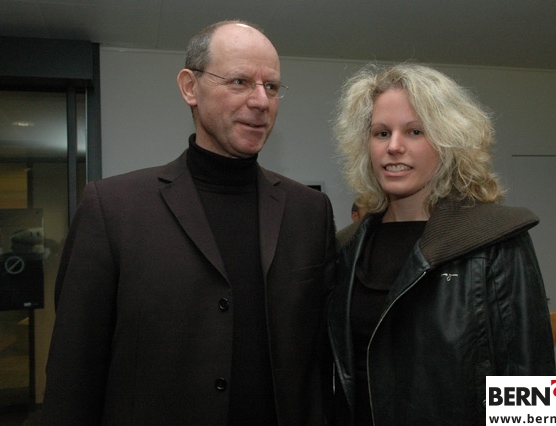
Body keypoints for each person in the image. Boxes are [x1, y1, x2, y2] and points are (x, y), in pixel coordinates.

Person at [41, 20, 336, 426]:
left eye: (271, 86)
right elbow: (73, 373)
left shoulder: (310, 212)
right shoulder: (113, 209)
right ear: (189, 87)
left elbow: (319, 363)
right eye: (239, 82)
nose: (261, 101)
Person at [327, 63, 555, 426]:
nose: (394, 146)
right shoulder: (345, 247)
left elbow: (532, 384)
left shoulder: (496, 239)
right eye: (381, 133)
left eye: (415, 131)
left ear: (449, 142)